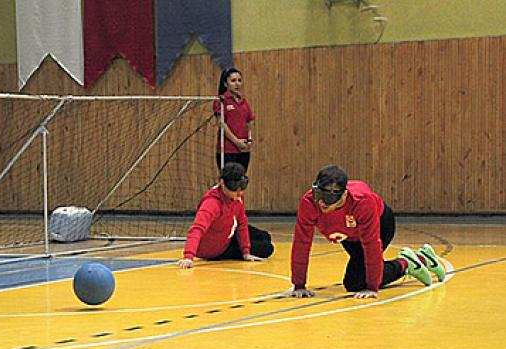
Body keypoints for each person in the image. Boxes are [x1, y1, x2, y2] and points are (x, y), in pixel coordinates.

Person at [289, 165, 446, 299]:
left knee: (355, 283)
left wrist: (372, 288)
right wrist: (299, 284)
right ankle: (418, 258)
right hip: (348, 236)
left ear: (343, 195)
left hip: (381, 226)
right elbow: (302, 242)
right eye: (319, 195)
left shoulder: (362, 202)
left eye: (329, 198)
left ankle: (407, 263)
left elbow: (371, 244)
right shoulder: (309, 203)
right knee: (358, 277)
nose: (322, 203)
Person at [178, 162, 274, 269]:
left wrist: (246, 251)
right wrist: (188, 256)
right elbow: (197, 228)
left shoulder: (237, 196)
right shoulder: (212, 204)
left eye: (241, 188)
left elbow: (242, 222)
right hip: (214, 248)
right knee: (267, 248)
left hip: (226, 233)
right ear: (222, 183)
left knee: (265, 236)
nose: (238, 193)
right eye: (234, 189)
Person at [214, 67, 255, 173]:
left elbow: (250, 120)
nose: (237, 84)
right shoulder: (221, 100)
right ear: (225, 83)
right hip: (228, 150)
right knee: (229, 183)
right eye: (233, 81)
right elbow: (221, 124)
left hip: (243, 149)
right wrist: (236, 142)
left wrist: (249, 139)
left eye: (239, 80)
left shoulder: (243, 101)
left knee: (241, 181)